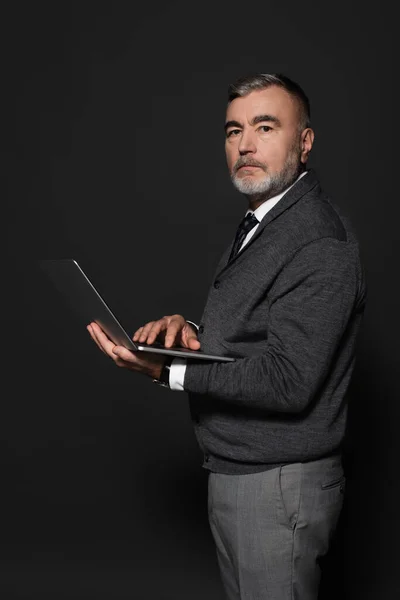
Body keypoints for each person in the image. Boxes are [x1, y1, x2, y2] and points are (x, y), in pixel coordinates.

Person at [87, 73, 366, 600]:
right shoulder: (266, 219)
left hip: (278, 484)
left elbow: (289, 380)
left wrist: (166, 371)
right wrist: (190, 333)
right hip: (241, 471)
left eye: (265, 126)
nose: (245, 144)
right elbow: (258, 330)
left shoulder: (317, 241)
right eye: (233, 130)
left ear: (304, 142)